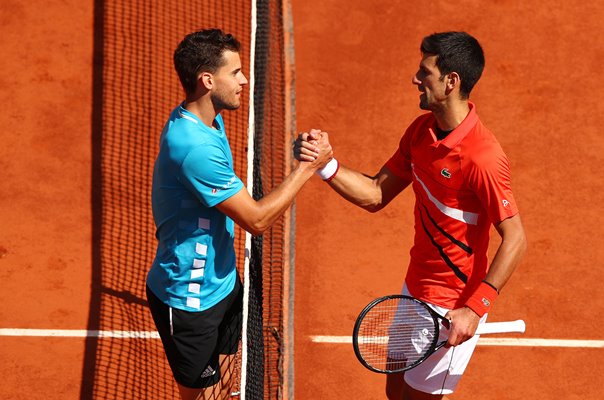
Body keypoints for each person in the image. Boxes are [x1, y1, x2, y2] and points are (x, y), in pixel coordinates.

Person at [295, 31, 527, 399]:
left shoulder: (483, 156)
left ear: (451, 82)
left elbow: (515, 237)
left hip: (452, 303)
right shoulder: (421, 132)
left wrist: (474, 308)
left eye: (425, 72)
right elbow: (375, 194)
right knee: (395, 392)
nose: (415, 79)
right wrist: (326, 165)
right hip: (413, 290)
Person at [146, 29, 332, 400]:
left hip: (224, 284)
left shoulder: (207, 121)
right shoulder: (194, 147)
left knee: (229, 385)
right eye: (236, 72)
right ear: (207, 80)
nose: (244, 80)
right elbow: (257, 220)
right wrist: (307, 168)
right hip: (189, 297)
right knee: (204, 397)